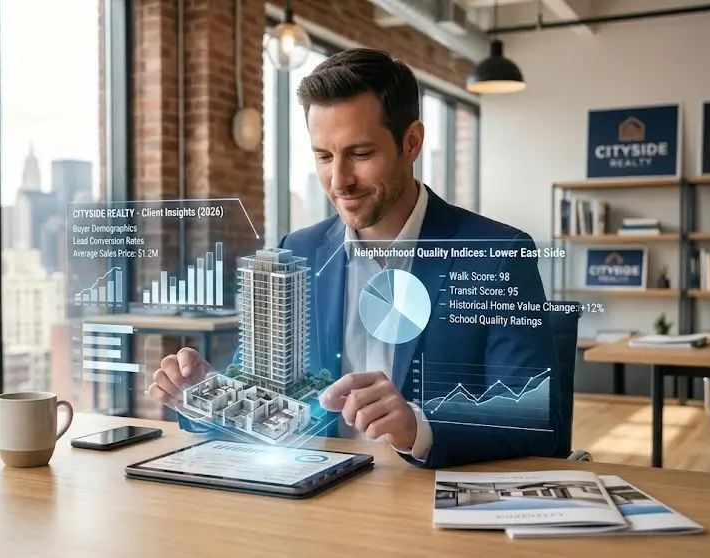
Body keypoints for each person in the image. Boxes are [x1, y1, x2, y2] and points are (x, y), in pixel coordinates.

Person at [148, 48, 565, 469]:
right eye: (324, 157)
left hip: (428, 507)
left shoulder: (497, 255)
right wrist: (208, 393)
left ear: (411, 143)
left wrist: (419, 427)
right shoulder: (297, 252)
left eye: (361, 154)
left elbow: (537, 416)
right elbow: (263, 399)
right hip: (314, 498)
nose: (340, 180)